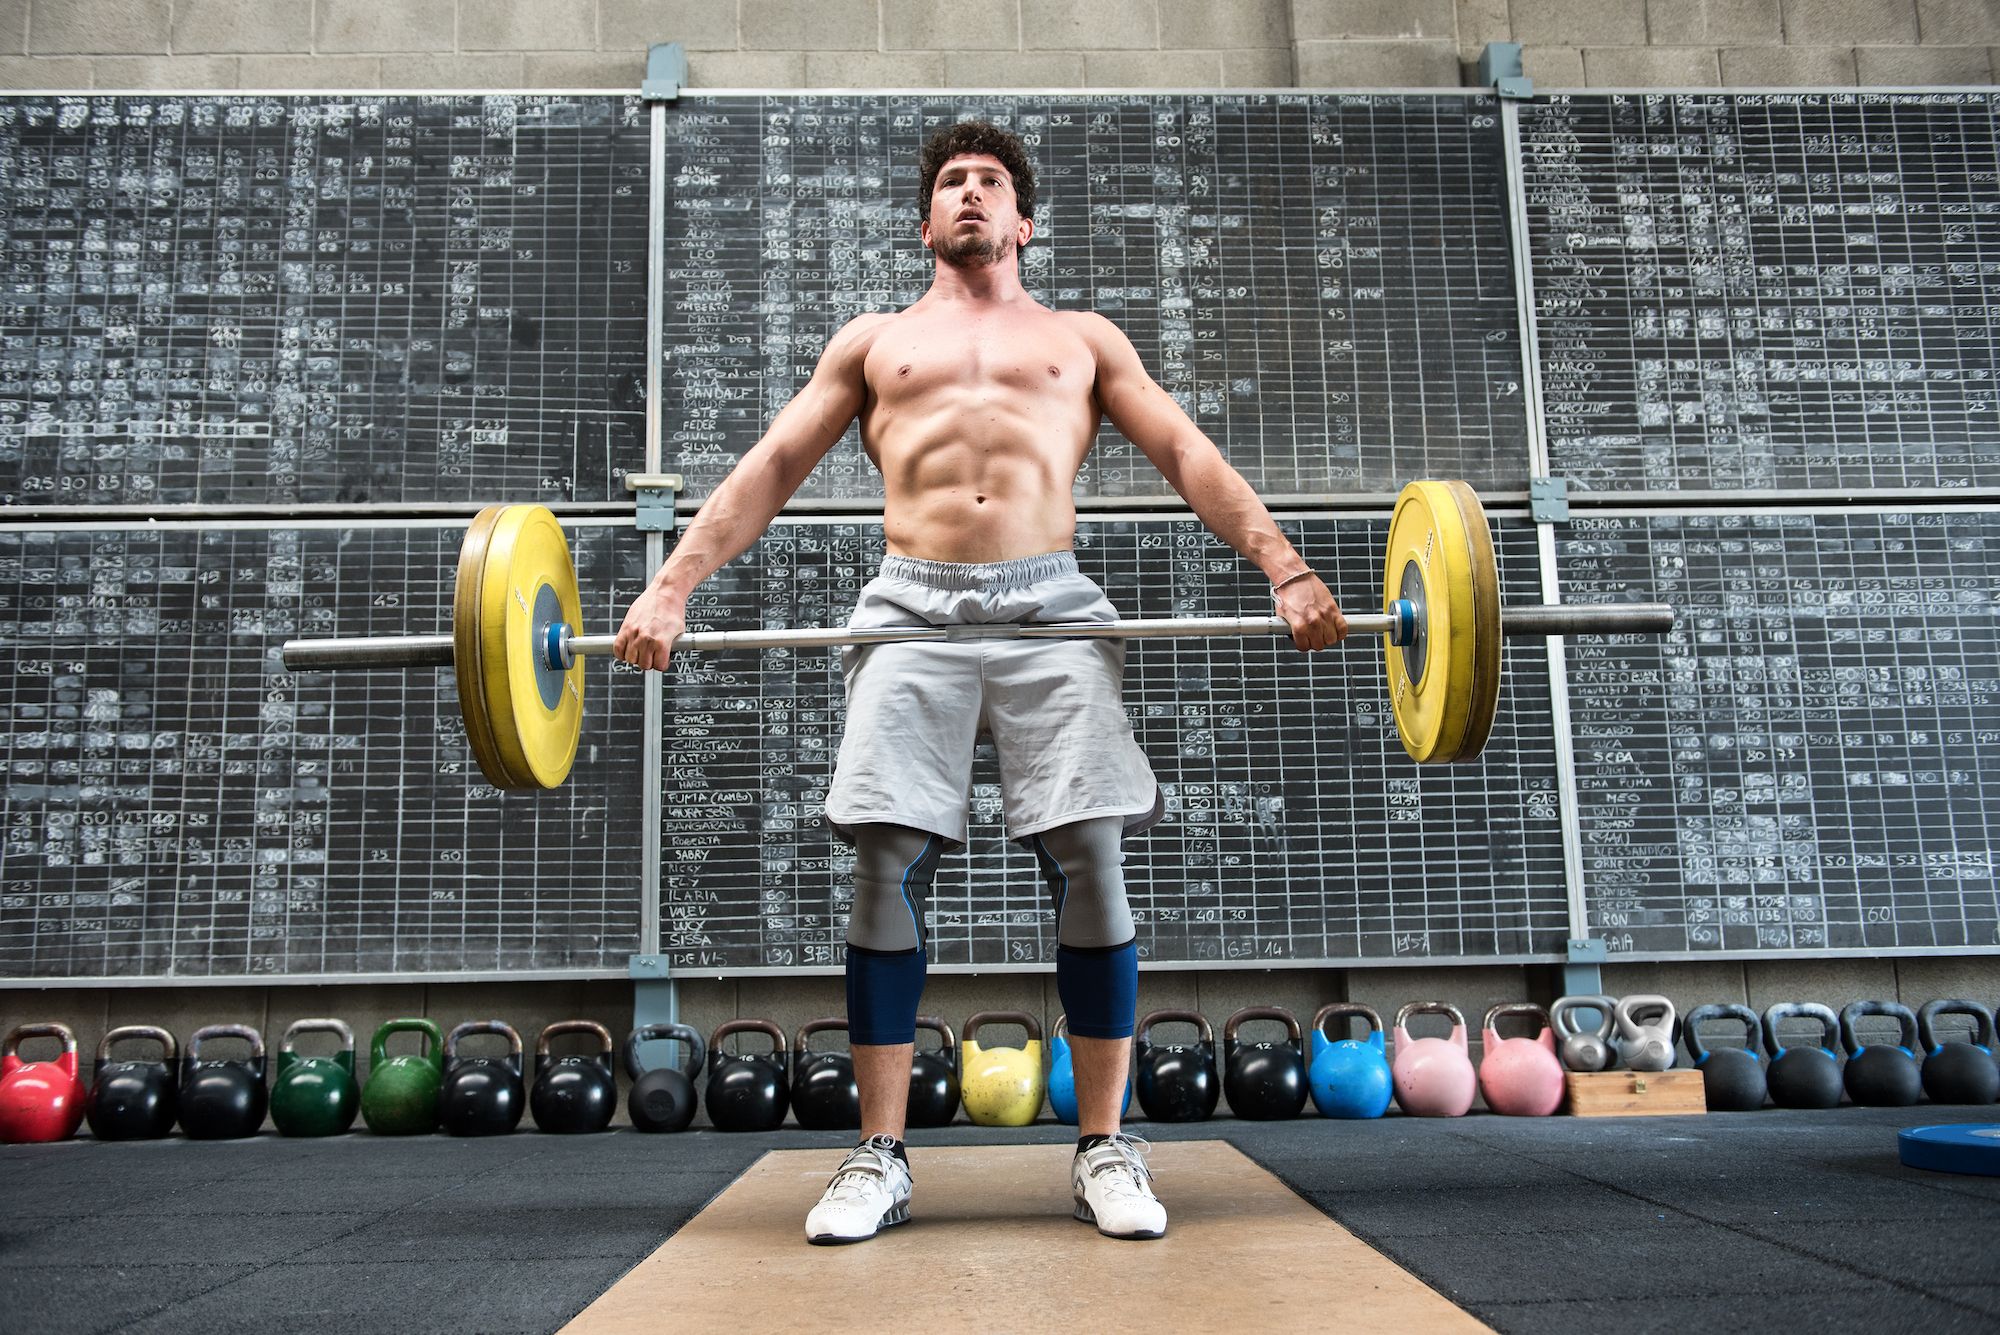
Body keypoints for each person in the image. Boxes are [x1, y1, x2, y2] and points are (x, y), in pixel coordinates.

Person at [614, 120, 1346, 1245]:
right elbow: (768, 468)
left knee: (1090, 850)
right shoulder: (873, 343)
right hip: (911, 604)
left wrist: (1284, 567)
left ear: (1022, 221)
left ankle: (1103, 1144)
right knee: (883, 855)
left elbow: (1186, 455)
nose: (969, 194)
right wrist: (669, 589)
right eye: (951, 182)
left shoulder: (1081, 340)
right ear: (925, 222)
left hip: (1050, 606)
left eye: (989, 182)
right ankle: (878, 1155)